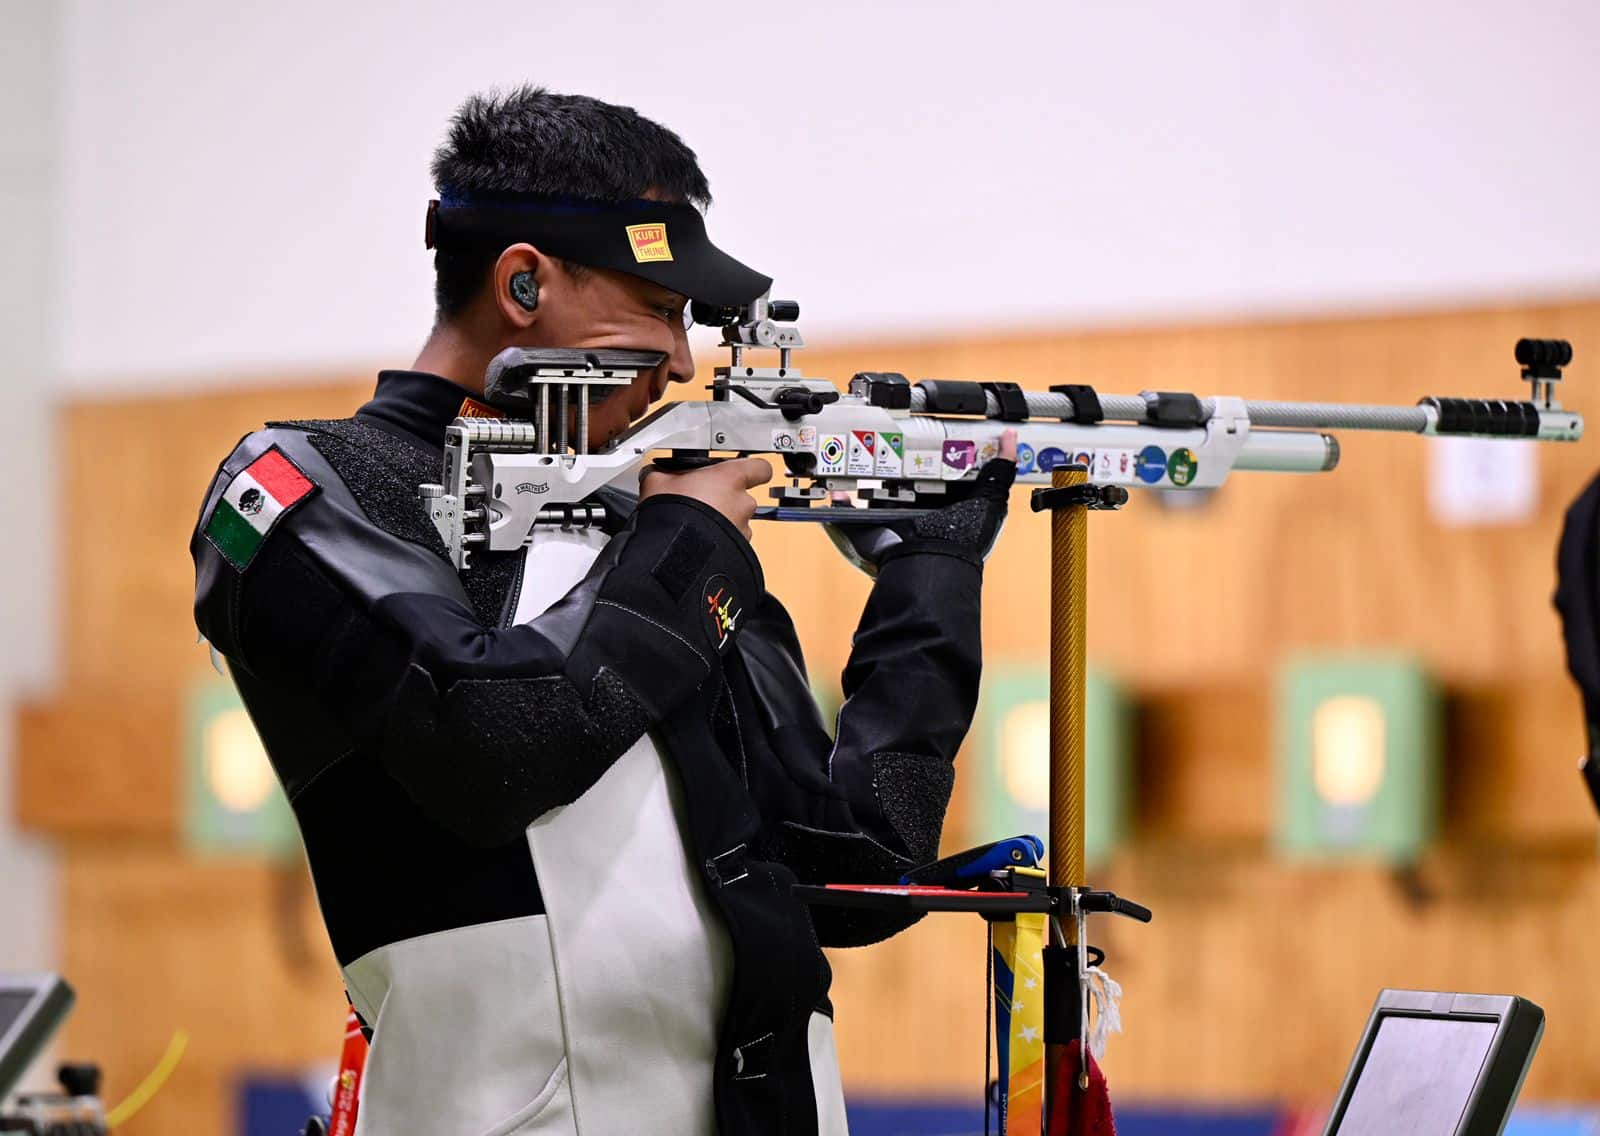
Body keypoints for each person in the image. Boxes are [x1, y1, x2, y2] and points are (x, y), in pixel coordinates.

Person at [190, 86, 1016, 1136]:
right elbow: (493, 746)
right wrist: (687, 548)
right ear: (523, 281)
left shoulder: (651, 524)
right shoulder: (307, 487)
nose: (681, 360)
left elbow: (852, 867)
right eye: (658, 306)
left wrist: (929, 578)